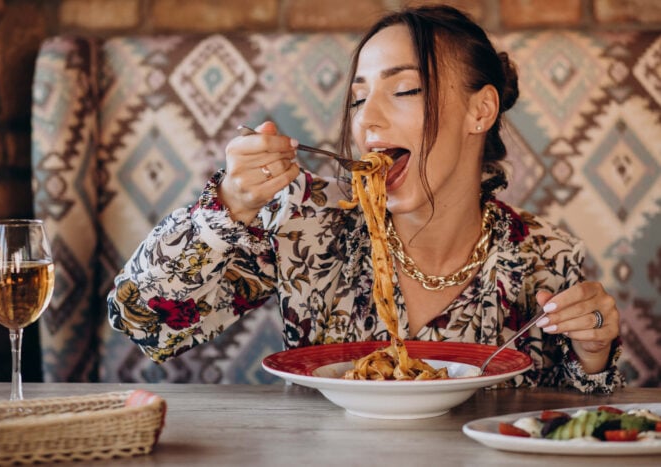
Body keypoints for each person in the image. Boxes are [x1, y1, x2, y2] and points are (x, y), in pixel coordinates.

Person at [107, 4, 623, 393]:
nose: (366, 120)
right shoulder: (306, 223)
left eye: (404, 91)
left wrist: (594, 353)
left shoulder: (546, 257)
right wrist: (229, 206)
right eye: (357, 97)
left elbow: (567, 422)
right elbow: (144, 325)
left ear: (480, 110)